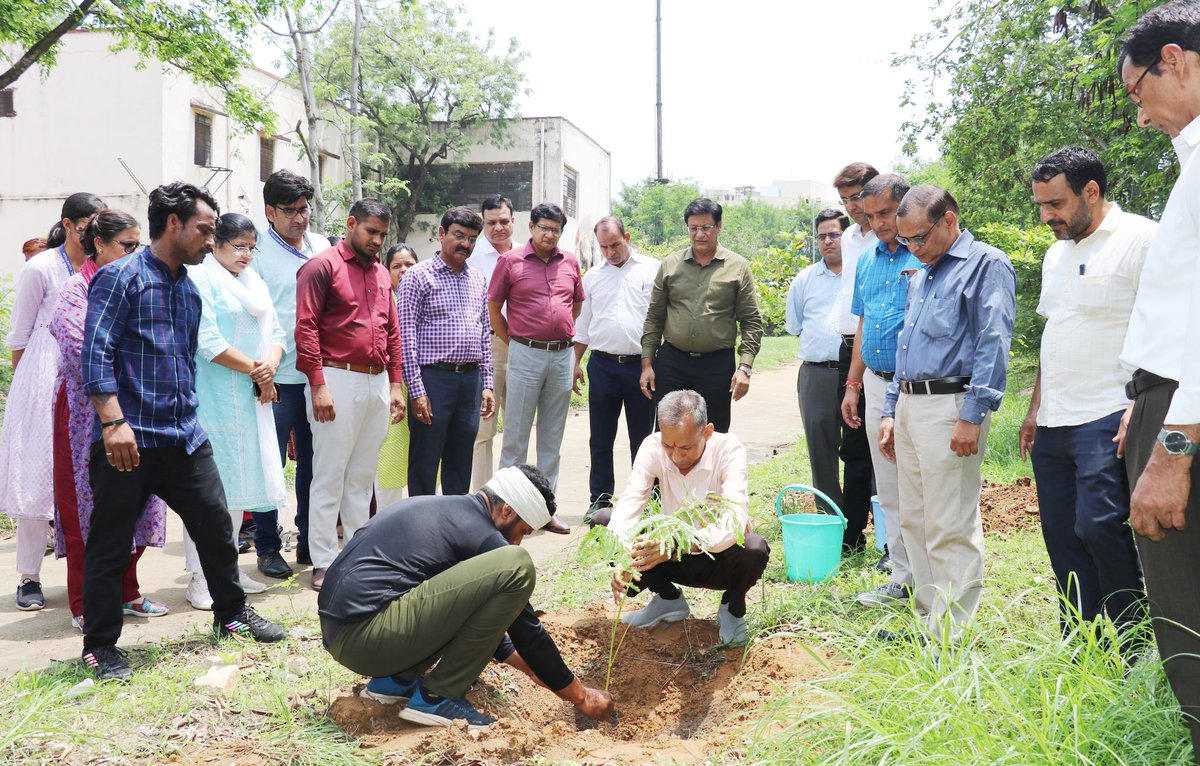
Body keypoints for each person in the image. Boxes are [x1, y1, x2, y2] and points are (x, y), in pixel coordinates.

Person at [82, 182, 284, 681]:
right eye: (204, 229)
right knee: (111, 542)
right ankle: (100, 646)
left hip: (183, 436)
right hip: (128, 440)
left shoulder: (188, 288)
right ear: (173, 224)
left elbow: (184, 363)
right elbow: (96, 355)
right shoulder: (120, 278)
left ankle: (231, 615)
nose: (209, 239)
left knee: (217, 527)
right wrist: (113, 423)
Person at [318, 463, 613, 729]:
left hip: (348, 635)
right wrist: (582, 696)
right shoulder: (479, 534)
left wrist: (533, 670)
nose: (517, 540)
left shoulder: (451, 512)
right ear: (507, 511)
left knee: (492, 579)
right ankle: (437, 696)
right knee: (517, 565)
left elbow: (470, 615)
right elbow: (527, 631)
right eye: (522, 530)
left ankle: (394, 682)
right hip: (368, 636)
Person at [1019, 146, 1152, 641]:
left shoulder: (1141, 239)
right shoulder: (1057, 253)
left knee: (1102, 528)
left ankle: (1134, 643)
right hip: (1055, 419)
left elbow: (1165, 330)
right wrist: (1034, 410)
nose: (1046, 215)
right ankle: (1083, 646)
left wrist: (1140, 403)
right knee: (1061, 536)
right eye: (1041, 205)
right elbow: (1056, 334)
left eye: (1055, 204)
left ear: (1091, 192)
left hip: (1109, 410)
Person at [878, 185, 1016, 642]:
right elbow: (906, 346)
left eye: (919, 239)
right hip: (913, 406)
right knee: (915, 520)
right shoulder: (923, 273)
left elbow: (992, 342)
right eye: (907, 242)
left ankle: (953, 637)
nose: (913, 250)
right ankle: (928, 622)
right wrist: (892, 409)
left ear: (950, 221)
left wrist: (972, 415)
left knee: (948, 522)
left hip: (950, 406)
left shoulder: (985, 266)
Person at [1117, 4, 1200, 756]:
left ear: (1174, 60)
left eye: (1137, 90)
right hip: (1166, 401)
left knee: (1186, 613)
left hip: (1184, 413)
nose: (1139, 114)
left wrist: (1172, 448)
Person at [50, 209, 168, 631]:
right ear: (98, 244)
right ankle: (86, 602)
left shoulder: (134, 282)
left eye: (138, 245)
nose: (134, 253)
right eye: (127, 245)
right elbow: (84, 349)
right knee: (86, 505)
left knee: (135, 500)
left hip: (134, 406)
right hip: (85, 413)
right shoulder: (73, 290)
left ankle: (128, 591)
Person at [0, 191, 105, 611]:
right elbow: (20, 334)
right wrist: (26, 390)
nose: (92, 234)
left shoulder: (103, 267)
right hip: (42, 373)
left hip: (88, 376)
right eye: (85, 228)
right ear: (67, 225)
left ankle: (88, 578)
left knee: (84, 481)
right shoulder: (42, 267)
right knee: (37, 476)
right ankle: (29, 576)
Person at [295, 198, 406, 591]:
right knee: (329, 473)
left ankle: (358, 556)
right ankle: (324, 561)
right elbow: (305, 328)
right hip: (335, 378)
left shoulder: (380, 275)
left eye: (382, 234)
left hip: (375, 382)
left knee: (361, 477)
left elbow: (392, 331)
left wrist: (395, 384)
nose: (377, 240)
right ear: (351, 223)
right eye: (370, 231)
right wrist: (318, 384)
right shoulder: (322, 265)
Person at [606, 390, 769, 646]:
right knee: (605, 521)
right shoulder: (651, 446)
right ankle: (668, 599)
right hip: (668, 560)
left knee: (754, 548)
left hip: (718, 558)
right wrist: (624, 555)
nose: (676, 456)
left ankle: (732, 609)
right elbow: (629, 504)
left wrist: (675, 544)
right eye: (668, 446)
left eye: (685, 447)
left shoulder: (728, 449)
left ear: (707, 432)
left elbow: (734, 522)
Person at [186, 213, 290, 607]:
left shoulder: (254, 281)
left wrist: (270, 368)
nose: (247, 254)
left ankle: (226, 570)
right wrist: (257, 370)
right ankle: (200, 577)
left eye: (251, 247)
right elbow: (207, 339)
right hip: (214, 397)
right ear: (215, 243)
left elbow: (277, 333)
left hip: (251, 399)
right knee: (210, 494)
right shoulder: (201, 278)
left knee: (241, 484)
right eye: (239, 246)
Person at [840, 174, 920, 606]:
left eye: (886, 213)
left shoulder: (927, 253)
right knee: (888, 485)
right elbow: (864, 323)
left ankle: (933, 580)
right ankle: (901, 574)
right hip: (876, 383)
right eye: (870, 216)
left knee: (923, 486)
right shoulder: (868, 260)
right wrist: (854, 386)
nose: (878, 223)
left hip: (922, 389)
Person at [488, 202, 582, 533]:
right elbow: (495, 308)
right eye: (544, 227)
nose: (550, 233)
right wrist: (515, 341)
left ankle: (545, 511)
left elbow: (577, 303)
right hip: (525, 352)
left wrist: (560, 331)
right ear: (531, 227)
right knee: (515, 435)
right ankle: (503, 510)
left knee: (551, 437)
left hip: (561, 355)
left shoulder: (570, 261)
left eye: (556, 229)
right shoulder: (510, 261)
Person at [786, 209, 872, 552]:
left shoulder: (861, 270)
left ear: (846, 236)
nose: (827, 241)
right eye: (821, 236)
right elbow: (794, 326)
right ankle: (831, 524)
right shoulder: (804, 280)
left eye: (833, 234)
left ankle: (869, 522)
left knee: (863, 447)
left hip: (860, 371)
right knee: (822, 451)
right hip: (817, 372)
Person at [640, 198, 762, 434]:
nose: (699, 235)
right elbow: (654, 316)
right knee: (669, 431)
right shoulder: (670, 265)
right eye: (693, 228)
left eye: (706, 227)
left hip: (716, 365)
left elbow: (751, 321)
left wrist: (744, 368)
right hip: (673, 362)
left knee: (713, 433)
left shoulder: (737, 267)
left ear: (719, 226)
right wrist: (647, 363)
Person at [253, 169, 324, 568]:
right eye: (290, 210)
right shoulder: (255, 252)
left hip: (317, 376)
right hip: (275, 379)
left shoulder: (322, 246)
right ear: (270, 212)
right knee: (272, 464)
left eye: (305, 209)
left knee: (316, 464)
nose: (300, 218)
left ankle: (310, 540)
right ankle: (266, 545)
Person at [400, 207, 495, 496]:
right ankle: (422, 530)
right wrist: (416, 391)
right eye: (458, 236)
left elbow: (484, 333)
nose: (465, 244)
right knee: (425, 460)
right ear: (441, 234)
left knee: (460, 460)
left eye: (471, 238)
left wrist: (487, 384)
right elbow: (406, 337)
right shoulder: (417, 277)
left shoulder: (477, 278)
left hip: (469, 381)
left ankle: (453, 530)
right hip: (433, 380)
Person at [573, 216, 658, 523]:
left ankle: (646, 500)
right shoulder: (593, 276)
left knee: (644, 439)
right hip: (603, 366)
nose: (609, 252)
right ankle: (600, 499)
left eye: (615, 244)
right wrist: (575, 363)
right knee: (601, 436)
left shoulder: (653, 269)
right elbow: (582, 325)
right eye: (603, 246)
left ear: (628, 236)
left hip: (642, 367)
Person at [831, 162, 880, 555]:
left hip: (881, 347)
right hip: (851, 345)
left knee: (884, 441)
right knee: (854, 440)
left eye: (858, 197)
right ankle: (852, 536)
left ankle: (890, 539)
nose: (853, 206)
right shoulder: (849, 237)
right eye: (845, 199)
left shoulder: (890, 234)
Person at [469, 194, 518, 491]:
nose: (498, 227)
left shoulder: (527, 253)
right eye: (491, 223)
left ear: (514, 221)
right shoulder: (471, 255)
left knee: (517, 428)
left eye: (504, 221)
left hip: (523, 347)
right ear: (483, 223)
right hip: (486, 346)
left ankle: (513, 499)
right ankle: (482, 498)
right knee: (483, 429)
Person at [376, 244, 417, 509]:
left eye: (409, 265)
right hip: (388, 385)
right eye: (397, 266)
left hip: (420, 386)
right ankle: (385, 516)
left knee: (422, 453)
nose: (403, 271)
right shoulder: (382, 300)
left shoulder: (424, 295)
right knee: (389, 451)